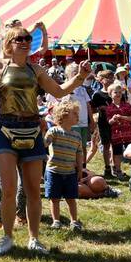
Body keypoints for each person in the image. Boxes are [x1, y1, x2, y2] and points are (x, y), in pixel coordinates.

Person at [0, 24, 91, 256]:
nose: (25, 42)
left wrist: (80, 77)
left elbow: (59, 92)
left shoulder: (36, 69)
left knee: (32, 190)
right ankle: (7, 237)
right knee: (8, 189)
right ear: (9, 43)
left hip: (31, 128)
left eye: (28, 39)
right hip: (6, 129)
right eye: (20, 38)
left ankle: (34, 238)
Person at [44, 98, 86, 229]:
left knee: (71, 198)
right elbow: (45, 144)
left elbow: (79, 154)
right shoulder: (54, 131)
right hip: (53, 171)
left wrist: (80, 169)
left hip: (70, 172)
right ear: (64, 114)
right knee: (54, 198)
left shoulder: (77, 135)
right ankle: (56, 221)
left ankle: (74, 221)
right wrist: (42, 134)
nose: (77, 116)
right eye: (75, 113)